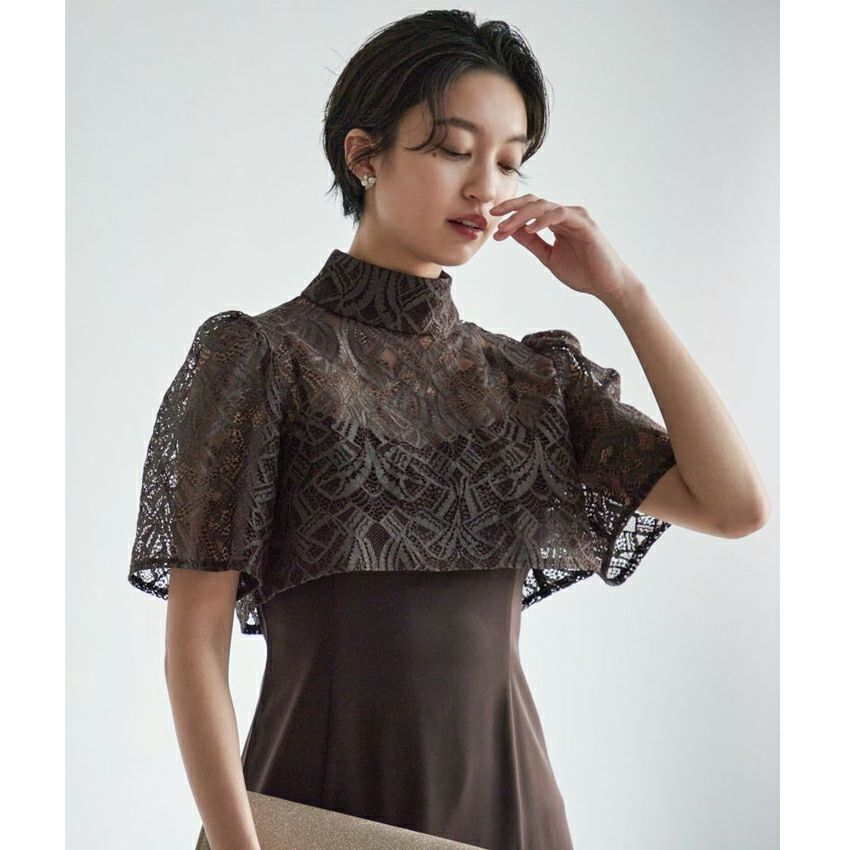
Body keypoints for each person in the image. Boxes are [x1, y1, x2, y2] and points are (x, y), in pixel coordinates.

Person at [127, 10, 770, 850]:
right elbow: (194, 642)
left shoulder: (531, 381)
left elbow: (733, 506)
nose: (485, 188)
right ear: (364, 155)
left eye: (508, 161)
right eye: (454, 149)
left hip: (516, 817)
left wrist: (625, 294)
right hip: (319, 820)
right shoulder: (263, 358)